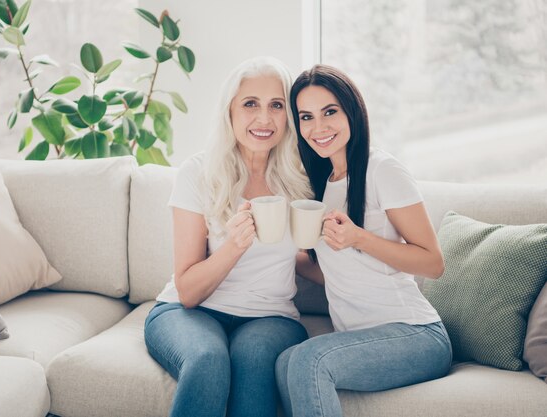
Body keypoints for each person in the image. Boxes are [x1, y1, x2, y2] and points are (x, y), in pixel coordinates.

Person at [275, 64, 452, 417]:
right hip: (359, 337)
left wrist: (359, 238)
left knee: (309, 360)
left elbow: (433, 263)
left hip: (415, 335)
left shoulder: (382, 170)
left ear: (351, 110)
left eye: (330, 112)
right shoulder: (321, 184)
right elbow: (338, 272)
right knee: (284, 362)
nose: (319, 127)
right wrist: (270, 250)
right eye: (306, 117)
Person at [144, 56, 313, 417]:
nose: (264, 119)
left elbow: (299, 259)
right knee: (207, 360)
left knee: (253, 362)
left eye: (276, 105)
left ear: (289, 116)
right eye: (250, 104)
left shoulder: (302, 179)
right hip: (188, 312)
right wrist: (234, 246)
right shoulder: (198, 173)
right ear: (230, 112)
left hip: (271, 317)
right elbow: (188, 291)